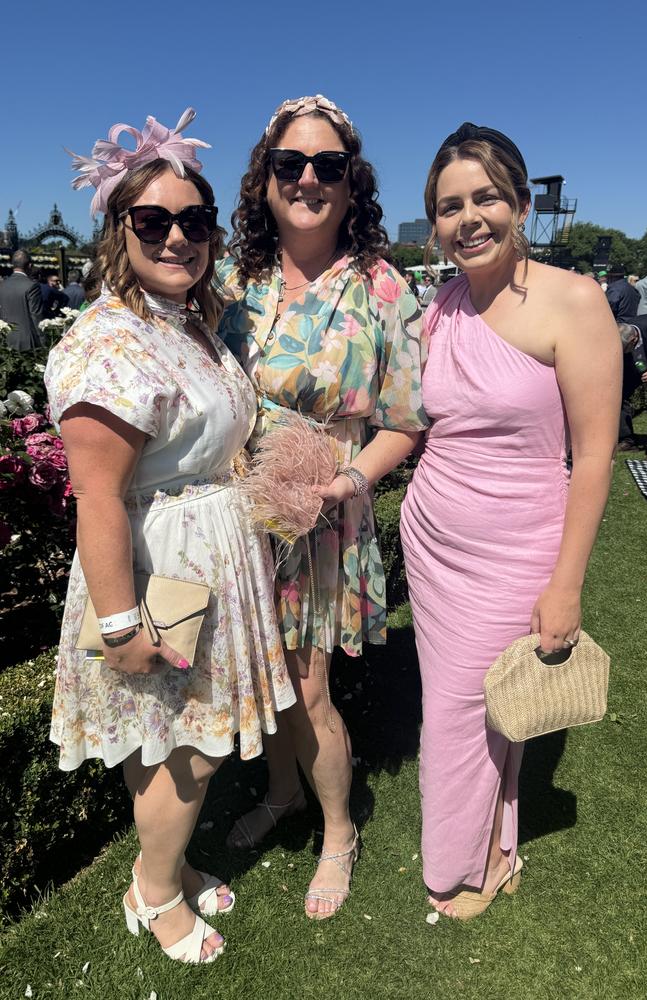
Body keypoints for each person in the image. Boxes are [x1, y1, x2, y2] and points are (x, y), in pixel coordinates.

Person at [45, 108, 296, 964]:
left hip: (207, 559)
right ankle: (154, 895)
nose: (178, 237)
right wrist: (120, 624)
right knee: (188, 750)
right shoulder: (109, 338)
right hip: (162, 571)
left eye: (196, 220)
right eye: (153, 220)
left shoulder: (185, 320)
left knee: (171, 745)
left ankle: (168, 866)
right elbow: (97, 495)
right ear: (120, 228)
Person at [400, 122, 620, 920]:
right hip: (432, 540)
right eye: (449, 205)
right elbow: (417, 423)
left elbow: (594, 458)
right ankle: (493, 842)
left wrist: (567, 586)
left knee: (466, 709)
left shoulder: (576, 300)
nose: (469, 218)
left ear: (521, 203)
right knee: (481, 704)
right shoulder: (440, 309)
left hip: (518, 543)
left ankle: (457, 868)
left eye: (485, 197)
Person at [217, 94, 428, 919]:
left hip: (324, 514)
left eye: (327, 165)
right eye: (289, 164)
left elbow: (406, 419)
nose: (308, 179)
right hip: (242, 511)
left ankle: (338, 828)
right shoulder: (235, 279)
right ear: (264, 179)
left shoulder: (382, 286)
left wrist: (347, 481)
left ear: (352, 181)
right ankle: (282, 792)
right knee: (261, 679)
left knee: (308, 689)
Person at [0, 250, 45, 349]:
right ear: (29, 266)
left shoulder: (2, 286)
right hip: (27, 340)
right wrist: (43, 340)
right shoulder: (32, 286)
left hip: (5, 339)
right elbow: (36, 315)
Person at [617, 316, 647, 449]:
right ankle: (626, 439)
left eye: (624, 349)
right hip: (632, 366)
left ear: (633, 339)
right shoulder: (619, 330)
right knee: (619, 394)